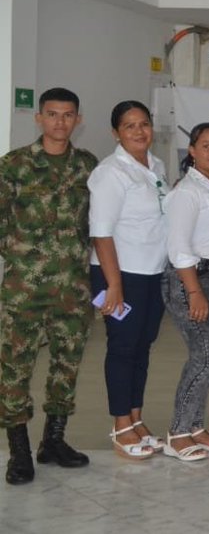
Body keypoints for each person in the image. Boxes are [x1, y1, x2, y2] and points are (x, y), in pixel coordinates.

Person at [0, 88, 97, 485]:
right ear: (39, 118)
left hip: (72, 288)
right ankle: (19, 450)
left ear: (78, 119)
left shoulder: (88, 167)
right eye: (52, 114)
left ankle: (53, 441)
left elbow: (97, 225)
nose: (60, 121)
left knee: (67, 364)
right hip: (23, 288)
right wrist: (22, 253)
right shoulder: (14, 165)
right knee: (14, 368)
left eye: (68, 115)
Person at [88, 100, 169, 461]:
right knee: (122, 348)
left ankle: (136, 418)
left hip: (151, 272)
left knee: (142, 346)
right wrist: (114, 286)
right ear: (116, 133)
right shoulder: (110, 173)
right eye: (129, 126)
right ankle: (121, 426)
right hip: (118, 274)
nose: (139, 131)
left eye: (144, 124)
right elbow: (101, 234)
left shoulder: (156, 166)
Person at [160, 122, 209, 461]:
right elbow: (178, 246)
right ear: (192, 150)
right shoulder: (187, 192)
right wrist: (194, 291)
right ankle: (178, 432)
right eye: (207, 146)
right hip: (195, 278)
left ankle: (195, 427)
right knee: (207, 357)